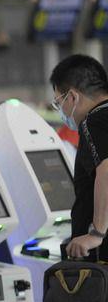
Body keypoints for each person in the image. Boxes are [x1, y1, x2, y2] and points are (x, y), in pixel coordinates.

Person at [49, 55, 108, 260]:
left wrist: (97, 233)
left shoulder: (94, 121)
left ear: (72, 97)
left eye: (59, 103)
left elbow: (106, 170)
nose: (61, 111)